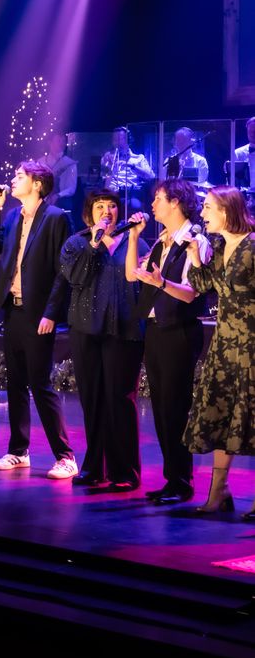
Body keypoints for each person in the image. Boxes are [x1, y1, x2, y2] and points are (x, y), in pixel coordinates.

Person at [0, 161, 77, 479]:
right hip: (14, 309)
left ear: (37, 184)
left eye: (20, 176)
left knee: (40, 383)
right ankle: (18, 450)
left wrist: (51, 312)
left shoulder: (56, 218)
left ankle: (65, 456)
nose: (13, 180)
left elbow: (63, 271)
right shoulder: (12, 216)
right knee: (15, 382)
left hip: (39, 313)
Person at [125, 178, 210, 505]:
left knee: (175, 406)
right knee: (161, 407)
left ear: (175, 202)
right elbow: (132, 275)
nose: (152, 205)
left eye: (158, 199)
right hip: (156, 329)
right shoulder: (162, 241)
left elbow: (191, 293)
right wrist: (134, 238)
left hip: (179, 330)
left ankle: (182, 481)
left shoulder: (195, 241)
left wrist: (161, 283)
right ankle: (171, 478)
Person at [60, 190, 148, 491]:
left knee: (120, 399)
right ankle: (94, 467)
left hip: (124, 330)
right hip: (86, 330)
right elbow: (75, 277)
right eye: (99, 206)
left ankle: (125, 471)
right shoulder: (77, 243)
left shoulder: (134, 241)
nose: (106, 211)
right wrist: (95, 244)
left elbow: (140, 280)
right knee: (92, 399)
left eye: (112, 206)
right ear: (89, 213)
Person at [181, 187, 254, 518]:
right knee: (222, 415)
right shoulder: (222, 246)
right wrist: (196, 258)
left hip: (251, 344)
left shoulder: (252, 246)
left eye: (208, 207)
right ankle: (218, 493)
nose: (203, 213)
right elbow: (202, 285)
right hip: (225, 344)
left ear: (226, 210)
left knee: (250, 416)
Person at [100, 126, 155, 212]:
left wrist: (131, 166)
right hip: (113, 194)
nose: (116, 142)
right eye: (114, 139)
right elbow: (103, 176)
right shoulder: (108, 157)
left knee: (135, 205)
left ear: (128, 140)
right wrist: (106, 163)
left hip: (132, 194)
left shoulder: (138, 158)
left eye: (120, 139)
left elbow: (151, 176)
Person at [41, 130, 78, 212]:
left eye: (63, 141)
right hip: (43, 202)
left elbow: (71, 188)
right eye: (59, 140)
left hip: (63, 203)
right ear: (50, 142)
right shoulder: (41, 162)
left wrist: (57, 196)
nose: (62, 143)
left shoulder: (70, 163)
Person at [231, 116, 255, 186]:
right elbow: (233, 179)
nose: (252, 134)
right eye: (250, 131)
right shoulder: (238, 153)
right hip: (245, 192)